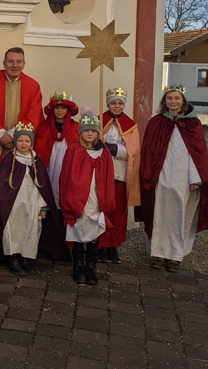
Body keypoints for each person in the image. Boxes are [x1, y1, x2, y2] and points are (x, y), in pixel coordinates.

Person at [138, 85, 208, 273]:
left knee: (180, 216)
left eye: (177, 98)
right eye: (170, 98)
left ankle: (175, 256)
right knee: (158, 213)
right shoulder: (156, 122)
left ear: (183, 100)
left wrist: (195, 178)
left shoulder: (193, 125)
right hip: (160, 177)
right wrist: (149, 176)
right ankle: (158, 253)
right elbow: (148, 152)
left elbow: (198, 153)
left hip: (183, 179)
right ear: (164, 101)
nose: (173, 102)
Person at [0, 122, 57, 276]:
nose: (23, 144)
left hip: (32, 204)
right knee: (13, 230)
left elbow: (43, 187)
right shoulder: (9, 160)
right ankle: (12, 258)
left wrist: (43, 207)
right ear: (15, 141)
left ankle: (24, 258)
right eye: (20, 140)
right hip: (13, 206)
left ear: (31, 142)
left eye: (27, 141)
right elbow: (2, 184)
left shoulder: (37, 162)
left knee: (30, 229)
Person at [60, 108, 115, 286]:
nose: (89, 133)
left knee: (93, 233)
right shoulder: (74, 150)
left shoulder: (104, 151)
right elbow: (67, 176)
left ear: (98, 132)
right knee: (78, 230)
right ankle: (78, 266)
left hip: (96, 197)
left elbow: (108, 176)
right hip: (77, 198)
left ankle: (91, 267)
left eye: (93, 130)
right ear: (80, 131)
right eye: (86, 130)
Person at [0, 48, 43, 164]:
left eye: (19, 62)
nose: (15, 65)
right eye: (10, 61)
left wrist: (13, 135)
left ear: (24, 64)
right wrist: (1, 135)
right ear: (4, 64)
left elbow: (34, 116)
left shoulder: (33, 86)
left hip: (21, 143)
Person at [97, 88, 141, 264]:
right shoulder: (99, 121)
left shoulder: (131, 125)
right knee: (102, 209)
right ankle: (100, 245)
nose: (116, 106)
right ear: (108, 104)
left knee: (118, 211)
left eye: (120, 103)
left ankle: (113, 247)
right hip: (102, 174)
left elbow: (134, 150)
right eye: (113, 103)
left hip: (120, 174)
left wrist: (113, 149)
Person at [33, 91, 77, 260]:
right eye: (57, 108)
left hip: (67, 174)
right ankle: (47, 246)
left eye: (63, 108)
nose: (59, 111)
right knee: (48, 203)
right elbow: (38, 149)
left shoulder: (76, 128)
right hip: (48, 171)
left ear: (68, 110)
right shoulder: (44, 128)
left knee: (64, 204)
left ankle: (66, 247)